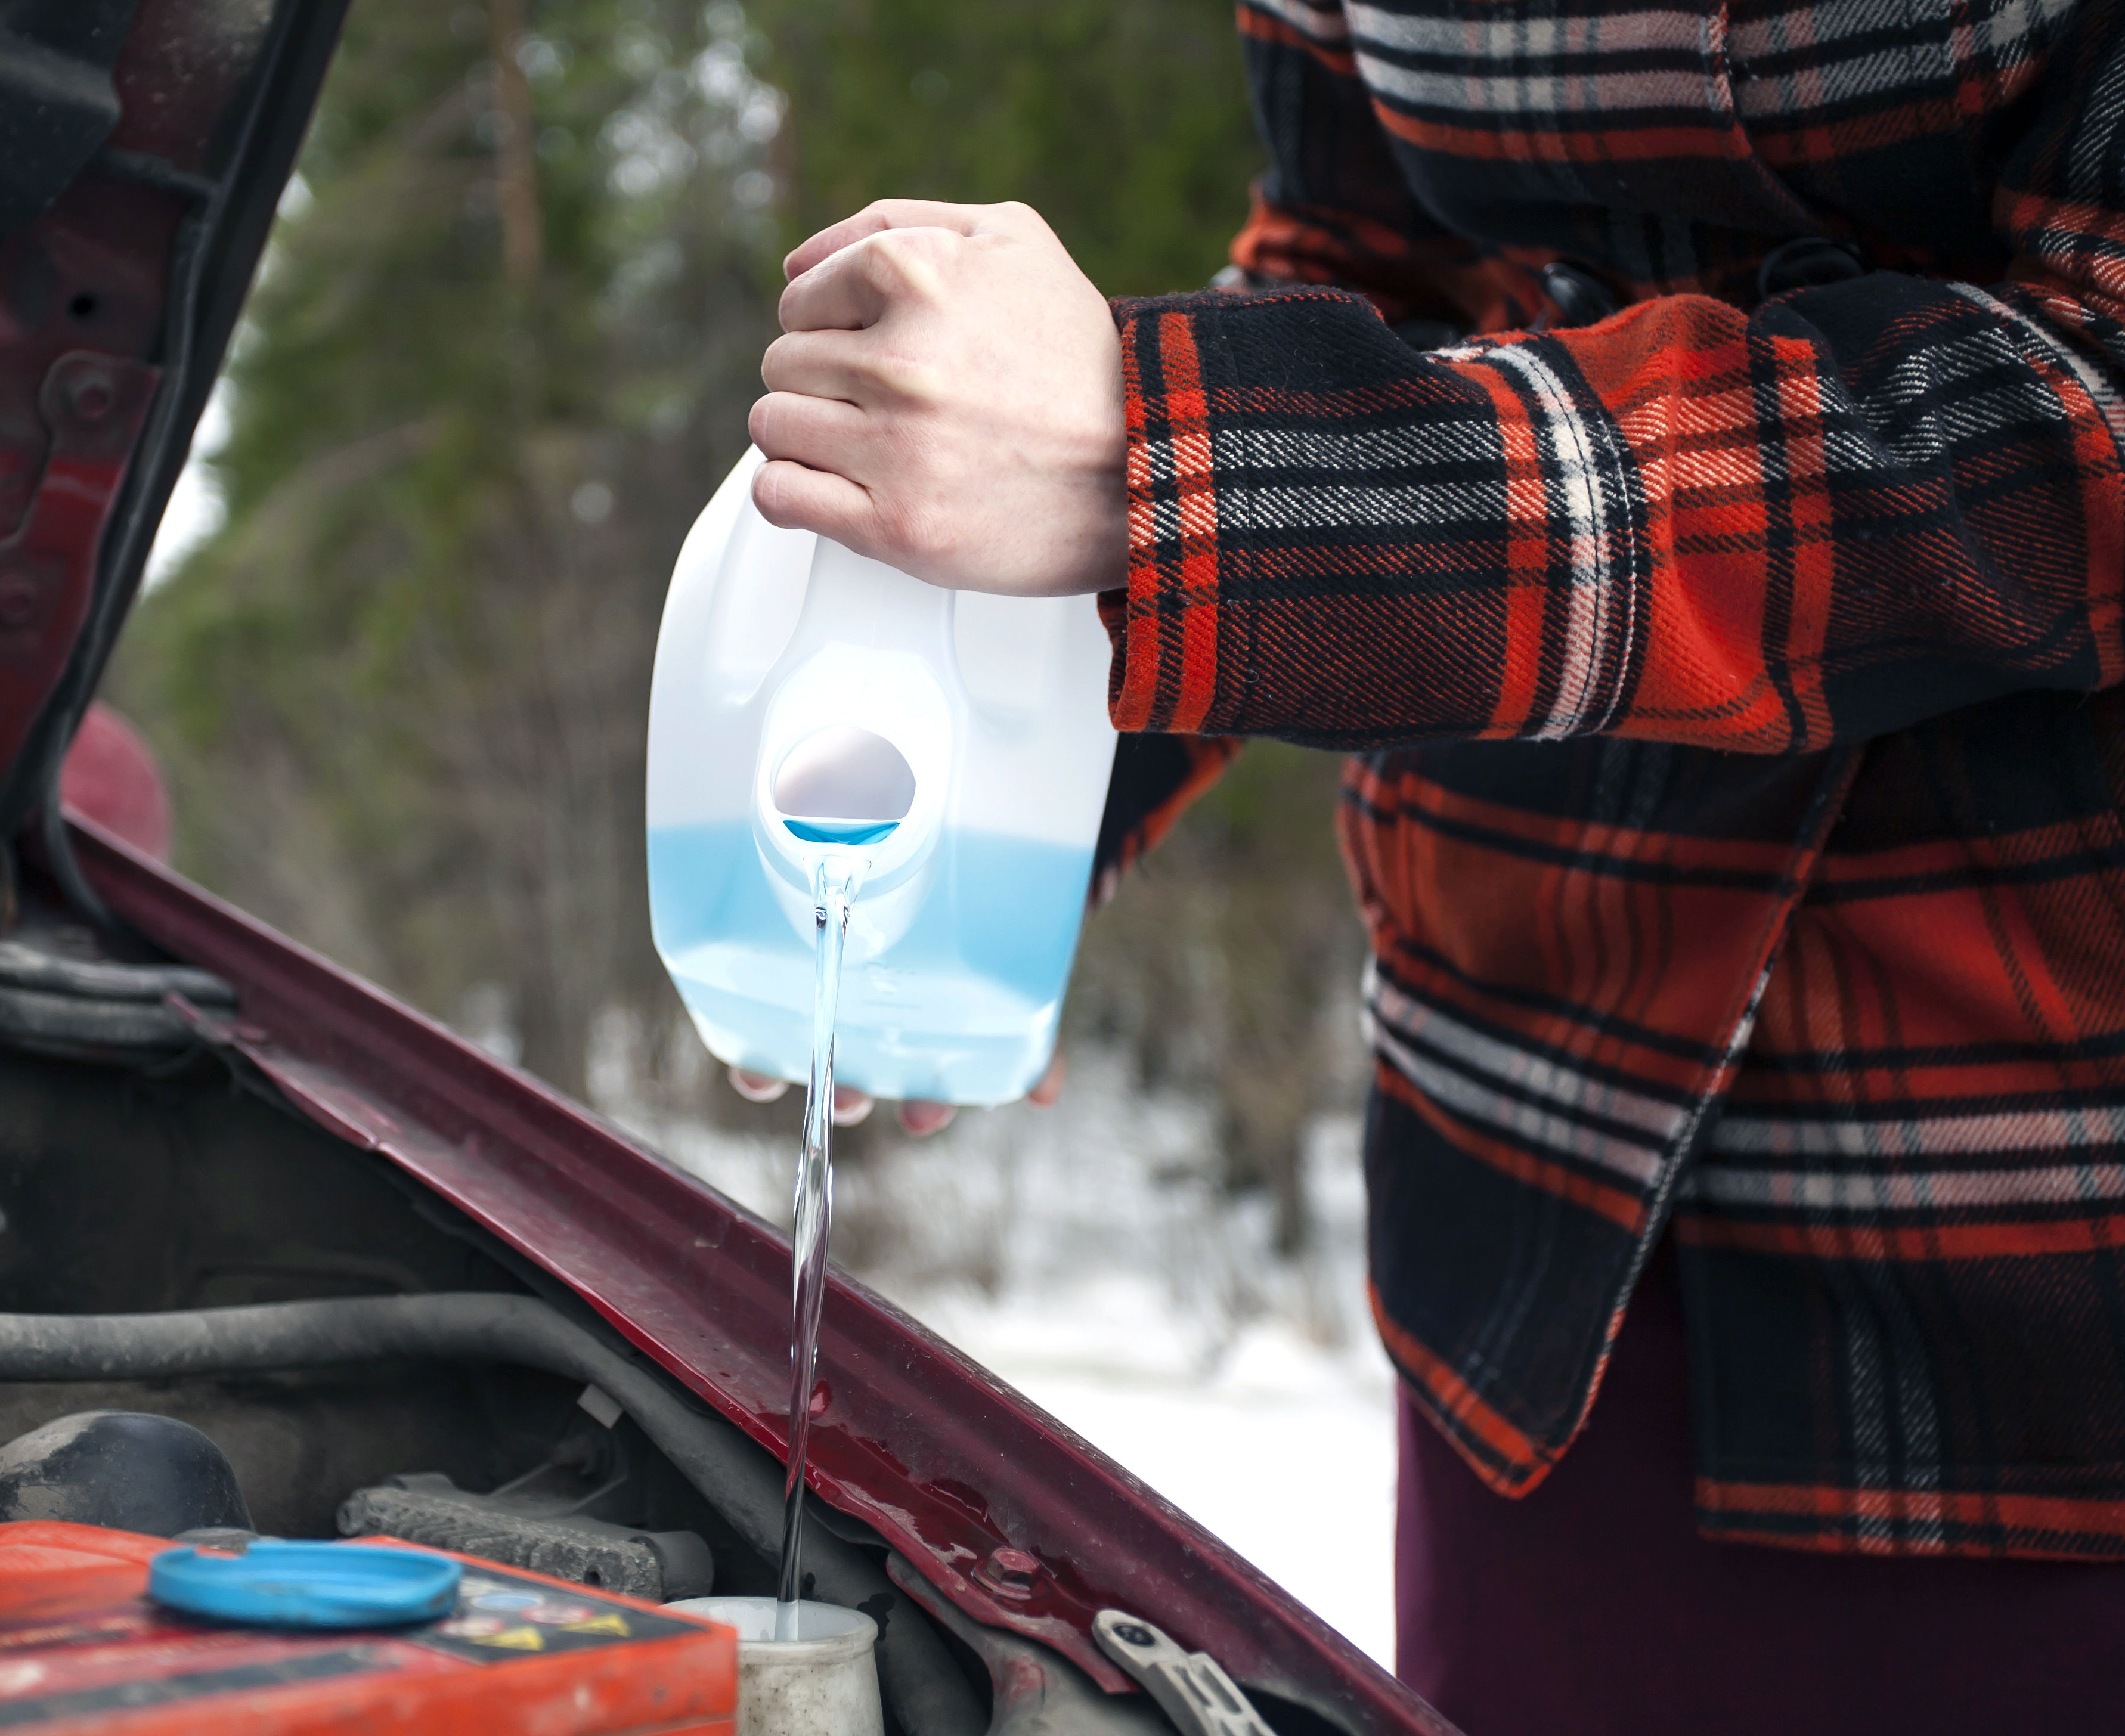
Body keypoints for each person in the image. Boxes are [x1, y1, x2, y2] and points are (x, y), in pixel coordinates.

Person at [738, 1, 2125, 1730]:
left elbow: (2088, 411)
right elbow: (1373, 266)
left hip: (2035, 1224)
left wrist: (1182, 461)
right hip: (1531, 1172)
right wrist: (1010, 780)